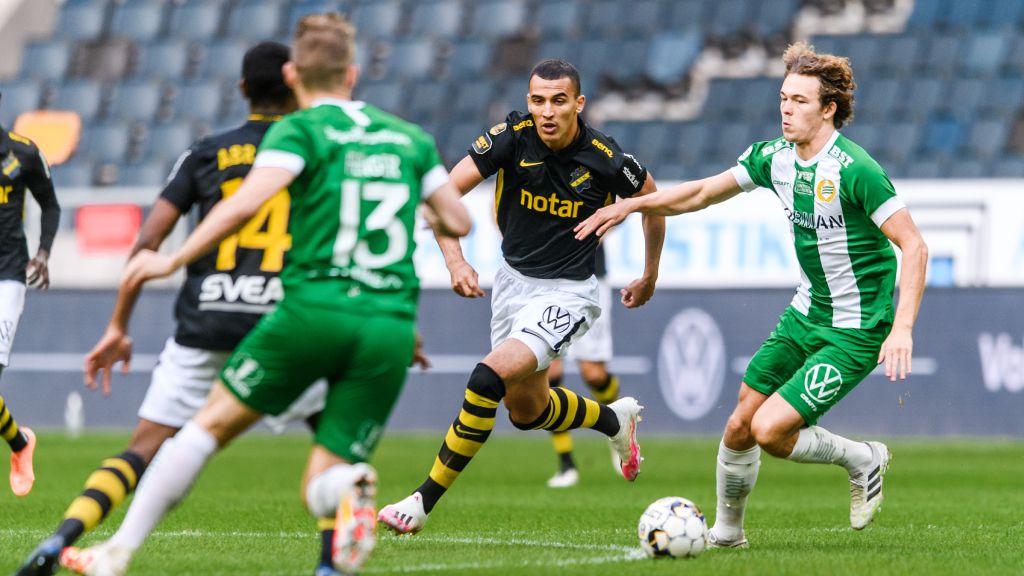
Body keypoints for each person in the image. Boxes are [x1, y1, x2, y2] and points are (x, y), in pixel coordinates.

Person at [46, 13, 471, 576]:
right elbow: (459, 221)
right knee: (321, 479)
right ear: (354, 73)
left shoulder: (299, 129)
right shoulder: (409, 138)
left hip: (312, 311)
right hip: (390, 324)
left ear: (295, 75)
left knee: (202, 430)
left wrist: (173, 258)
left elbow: (245, 203)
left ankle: (116, 553)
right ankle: (348, 488)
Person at [575, 42, 928, 545]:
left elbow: (913, 246)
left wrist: (902, 328)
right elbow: (700, 192)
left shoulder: (855, 169)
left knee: (770, 431)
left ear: (828, 109)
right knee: (740, 423)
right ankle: (728, 533)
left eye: (800, 101)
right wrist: (633, 206)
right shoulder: (774, 158)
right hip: (805, 313)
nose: (786, 109)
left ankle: (862, 458)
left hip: (856, 329)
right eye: (784, 98)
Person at [12, 41, 320, 576]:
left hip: (205, 322)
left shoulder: (205, 152)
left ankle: (60, 540)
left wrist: (118, 326)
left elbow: (146, 245)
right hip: (284, 323)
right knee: (334, 441)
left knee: (141, 450)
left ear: (242, 89)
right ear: (294, 84)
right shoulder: (314, 152)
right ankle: (332, 562)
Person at [378, 58, 665, 534]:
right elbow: (443, 195)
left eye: (557, 101)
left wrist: (650, 273)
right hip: (512, 285)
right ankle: (614, 421)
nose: (547, 112)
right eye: (537, 101)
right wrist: (455, 260)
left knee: (486, 378)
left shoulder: (605, 157)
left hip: (569, 293)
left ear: (579, 103)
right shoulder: (511, 138)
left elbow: (655, 202)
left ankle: (420, 502)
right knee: (527, 413)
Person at [0, 97, 59, 498]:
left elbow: (50, 205)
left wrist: (43, 253)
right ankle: (20, 443)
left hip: (7, 277)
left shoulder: (23, 152)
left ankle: (20, 446)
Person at [545, 244, 621, 488]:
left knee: (594, 375)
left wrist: (600, 226)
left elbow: (623, 208)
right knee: (550, 374)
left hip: (589, 276)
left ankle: (619, 427)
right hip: (543, 277)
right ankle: (566, 462)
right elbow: (498, 212)